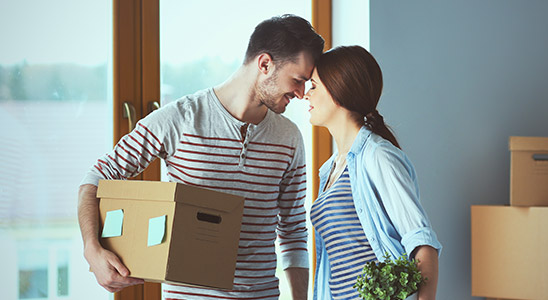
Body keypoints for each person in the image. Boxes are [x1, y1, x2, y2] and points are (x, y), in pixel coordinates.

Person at [78, 14, 324, 300]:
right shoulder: (180, 119)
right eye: (298, 80)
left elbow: (293, 231)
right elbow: (96, 178)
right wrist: (91, 249)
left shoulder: (289, 137)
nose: (301, 92)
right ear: (265, 64)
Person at [303, 45, 442, 300]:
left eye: (313, 86)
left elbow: (422, 243)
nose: (305, 95)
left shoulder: (378, 156)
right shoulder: (330, 169)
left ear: (338, 90)